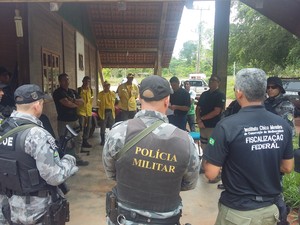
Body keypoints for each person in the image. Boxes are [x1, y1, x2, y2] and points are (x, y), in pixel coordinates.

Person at [103, 75, 200, 225]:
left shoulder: (118, 133)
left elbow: (111, 173)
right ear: (167, 101)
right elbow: (190, 183)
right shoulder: (185, 141)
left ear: (139, 99)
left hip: (123, 218)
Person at [203, 68, 294, 225]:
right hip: (271, 210)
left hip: (237, 212)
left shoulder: (226, 126)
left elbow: (211, 173)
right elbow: (287, 167)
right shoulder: (282, 125)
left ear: (239, 93)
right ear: (263, 91)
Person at [0, 84, 78, 225]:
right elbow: (54, 176)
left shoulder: (3, 128)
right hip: (37, 211)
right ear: (37, 105)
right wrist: (69, 160)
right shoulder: (37, 134)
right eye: (42, 103)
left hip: (8, 208)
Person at [53, 73, 89, 166]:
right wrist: (75, 103)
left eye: (68, 79)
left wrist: (72, 100)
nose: (67, 82)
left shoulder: (72, 91)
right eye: (64, 80)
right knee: (66, 141)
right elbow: (67, 104)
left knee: (78, 139)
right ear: (60, 81)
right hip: (64, 121)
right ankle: (66, 161)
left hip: (75, 120)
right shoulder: (58, 92)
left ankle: (76, 158)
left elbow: (82, 101)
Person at [196, 75, 225, 157]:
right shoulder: (204, 94)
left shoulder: (220, 95)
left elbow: (216, 111)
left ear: (218, 83)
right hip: (202, 126)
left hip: (212, 127)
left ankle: (211, 165)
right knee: (203, 145)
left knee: (212, 144)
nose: (211, 82)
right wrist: (198, 119)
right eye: (210, 80)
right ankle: (204, 164)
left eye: (213, 80)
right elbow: (198, 108)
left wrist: (201, 119)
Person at [97, 81, 116, 146]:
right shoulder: (100, 94)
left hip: (111, 112)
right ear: (103, 86)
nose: (107, 87)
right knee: (103, 126)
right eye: (105, 85)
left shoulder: (112, 94)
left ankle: (111, 140)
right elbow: (98, 103)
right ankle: (102, 140)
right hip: (103, 112)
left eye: (108, 85)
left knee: (112, 126)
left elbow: (115, 102)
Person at [77, 76, 93, 148]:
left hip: (88, 112)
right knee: (81, 128)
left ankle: (85, 141)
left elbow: (91, 101)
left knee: (88, 127)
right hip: (81, 112)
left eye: (88, 82)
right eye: (86, 81)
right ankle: (79, 142)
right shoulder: (79, 90)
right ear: (83, 81)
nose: (87, 83)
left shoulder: (91, 90)